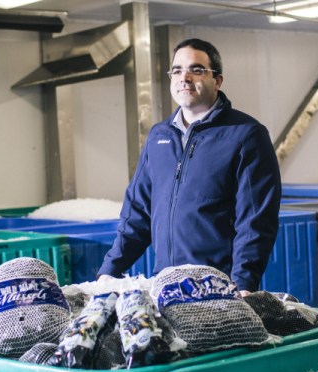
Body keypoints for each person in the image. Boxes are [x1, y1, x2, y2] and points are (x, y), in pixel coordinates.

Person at [97, 38, 281, 294]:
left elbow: (256, 221)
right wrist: (110, 269)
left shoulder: (245, 135)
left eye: (196, 70)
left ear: (217, 81)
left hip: (219, 285)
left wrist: (244, 284)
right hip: (165, 283)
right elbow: (138, 212)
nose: (184, 78)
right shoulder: (158, 136)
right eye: (177, 70)